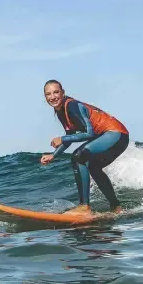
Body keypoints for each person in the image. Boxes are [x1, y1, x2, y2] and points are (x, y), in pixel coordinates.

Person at [40, 79, 129, 215]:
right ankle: (116, 207)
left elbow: (88, 133)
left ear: (63, 93)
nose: (53, 97)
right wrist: (54, 155)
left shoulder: (72, 106)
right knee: (93, 167)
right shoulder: (60, 111)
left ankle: (84, 207)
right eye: (48, 94)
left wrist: (62, 139)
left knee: (78, 156)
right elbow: (71, 135)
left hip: (116, 135)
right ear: (45, 97)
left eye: (56, 92)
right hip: (115, 137)